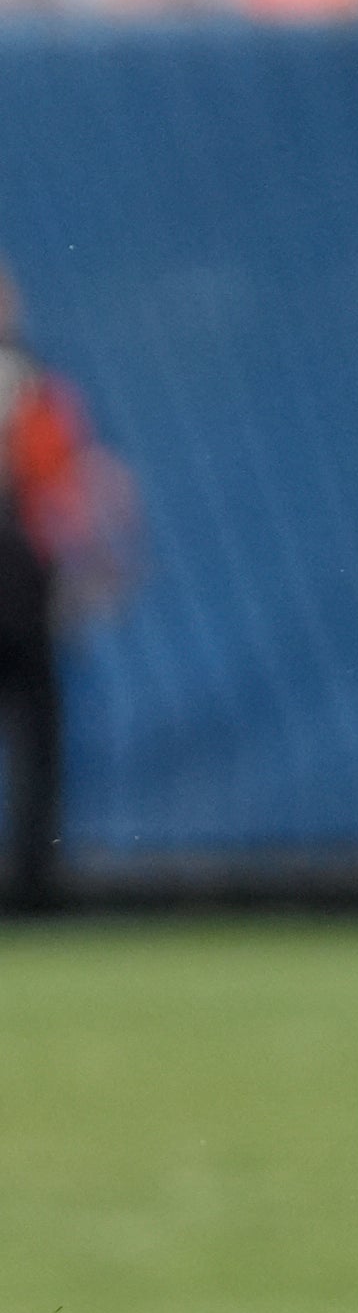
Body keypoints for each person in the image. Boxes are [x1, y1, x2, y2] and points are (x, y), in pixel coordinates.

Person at [0, 259, 131, 914]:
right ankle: (32, 890)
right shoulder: (30, 386)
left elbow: (72, 484)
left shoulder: (34, 386)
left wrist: (95, 564)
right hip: (20, 579)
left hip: (22, 582)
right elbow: (69, 483)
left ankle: (33, 885)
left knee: (39, 737)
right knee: (36, 738)